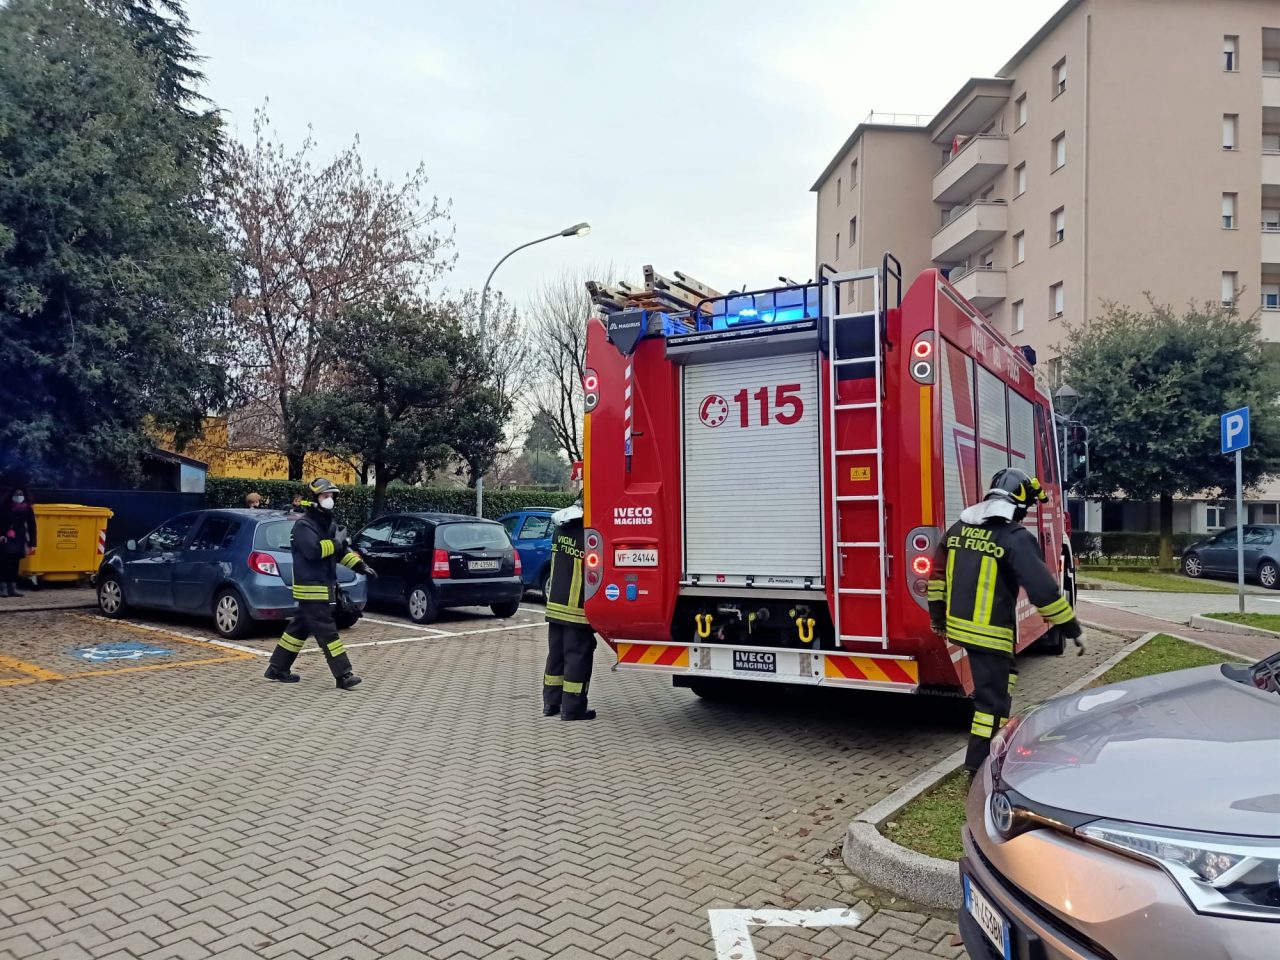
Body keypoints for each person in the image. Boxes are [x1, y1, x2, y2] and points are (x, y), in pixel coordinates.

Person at [928, 467, 1084, 776]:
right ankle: (978, 767)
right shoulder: (1014, 538)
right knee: (990, 703)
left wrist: (938, 617)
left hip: (962, 628)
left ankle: (998, 734)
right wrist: (1071, 628)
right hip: (990, 634)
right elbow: (1042, 590)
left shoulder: (959, 530)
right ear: (1018, 503)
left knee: (1005, 677)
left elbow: (936, 578)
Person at [264, 478, 377, 689]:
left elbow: (340, 553)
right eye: (325, 496)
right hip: (310, 588)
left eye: (332, 496)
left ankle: (277, 668)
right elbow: (314, 551)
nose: (330, 500)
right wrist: (337, 542)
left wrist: (360, 567)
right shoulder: (303, 525)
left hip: (323, 586)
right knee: (327, 631)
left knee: (299, 628)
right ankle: (343, 675)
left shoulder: (328, 523)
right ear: (314, 499)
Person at [542, 499, 597, 720]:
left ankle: (551, 703)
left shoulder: (560, 528)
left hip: (554, 605)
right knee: (577, 656)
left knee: (555, 656)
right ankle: (572, 708)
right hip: (576, 608)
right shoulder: (585, 532)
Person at [0, 487, 36, 597]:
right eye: (16, 494)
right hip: (5, 537)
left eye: (20, 494)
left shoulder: (27, 508)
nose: (19, 496)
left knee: (15, 563)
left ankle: (13, 587)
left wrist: (33, 544)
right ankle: (3, 587)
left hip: (19, 538)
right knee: (4, 562)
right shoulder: (4, 507)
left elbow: (32, 526)